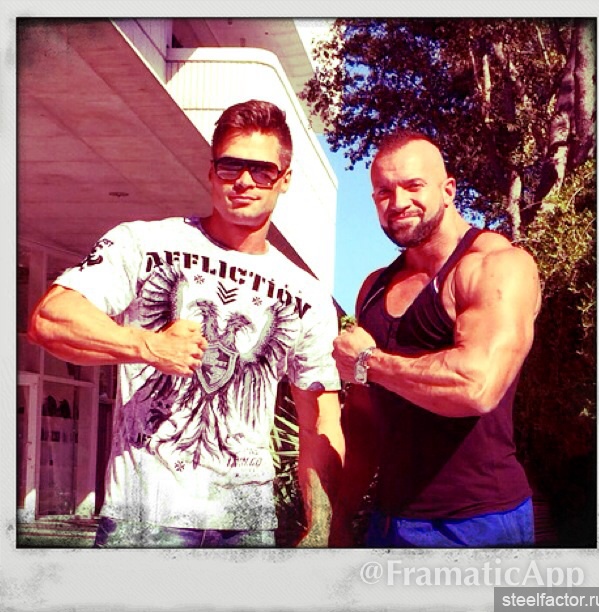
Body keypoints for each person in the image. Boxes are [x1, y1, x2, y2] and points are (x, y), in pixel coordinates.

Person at [28, 99, 344, 548]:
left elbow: (320, 422)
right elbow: (50, 318)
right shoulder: (145, 242)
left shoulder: (307, 293)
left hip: (246, 527)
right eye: (231, 166)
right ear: (211, 172)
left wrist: (321, 529)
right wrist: (146, 345)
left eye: (262, 171)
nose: (245, 181)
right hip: (145, 520)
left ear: (285, 179)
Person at [330, 131, 541, 548]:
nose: (398, 202)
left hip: (478, 523)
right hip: (388, 521)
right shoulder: (373, 287)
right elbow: (365, 420)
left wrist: (370, 362)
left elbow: (475, 386)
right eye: (384, 192)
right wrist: (341, 515)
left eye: (413, 186)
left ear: (448, 191)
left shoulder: (495, 264)